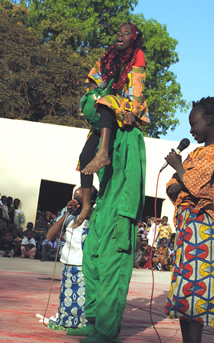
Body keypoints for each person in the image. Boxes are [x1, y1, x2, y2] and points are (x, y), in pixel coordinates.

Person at [66, 85, 146, 343]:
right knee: (91, 262)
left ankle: (108, 330)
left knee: (112, 270)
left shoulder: (130, 136)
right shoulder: (101, 137)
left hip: (121, 209)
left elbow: (134, 177)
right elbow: (85, 165)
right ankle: (93, 322)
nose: (95, 120)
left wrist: (126, 215)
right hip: (103, 207)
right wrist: (89, 205)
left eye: (99, 115)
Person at [164, 97, 214, 343]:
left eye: (194, 123)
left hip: (202, 227)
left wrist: (180, 170)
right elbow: (172, 187)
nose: (191, 130)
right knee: (182, 294)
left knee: (195, 293)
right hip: (187, 226)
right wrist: (182, 177)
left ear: (209, 120)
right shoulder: (195, 153)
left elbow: (198, 186)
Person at [73, 22, 149, 228]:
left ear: (133, 39)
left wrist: (133, 112)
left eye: (126, 33)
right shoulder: (108, 55)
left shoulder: (137, 55)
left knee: (106, 102)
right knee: (84, 156)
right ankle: (87, 205)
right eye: (119, 32)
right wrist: (92, 93)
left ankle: (104, 153)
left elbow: (137, 87)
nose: (121, 35)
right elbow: (94, 78)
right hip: (105, 111)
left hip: (122, 106)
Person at [47, 186, 97, 330]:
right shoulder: (67, 212)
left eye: (83, 190)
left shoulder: (94, 214)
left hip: (86, 264)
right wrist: (67, 214)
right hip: (69, 263)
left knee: (82, 299)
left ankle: (84, 324)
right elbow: (50, 236)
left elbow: (97, 225)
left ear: (91, 200)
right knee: (67, 297)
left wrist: (84, 210)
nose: (79, 189)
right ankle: (66, 320)